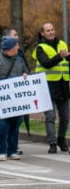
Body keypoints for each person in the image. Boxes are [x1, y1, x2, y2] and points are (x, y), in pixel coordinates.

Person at [0, 36, 29, 161]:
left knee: (15, 123)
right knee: (2, 125)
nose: (18, 48)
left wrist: (26, 75)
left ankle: (12, 150)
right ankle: (1, 150)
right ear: (10, 49)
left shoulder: (19, 60)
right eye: (16, 46)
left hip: (17, 100)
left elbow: (26, 72)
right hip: (0, 101)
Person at [32, 22, 70, 153]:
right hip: (47, 86)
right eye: (48, 30)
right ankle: (52, 143)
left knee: (65, 117)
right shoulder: (40, 48)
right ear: (42, 33)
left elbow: (67, 62)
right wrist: (60, 56)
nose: (51, 32)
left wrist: (67, 56)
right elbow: (46, 63)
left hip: (63, 85)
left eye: (52, 29)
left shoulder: (62, 44)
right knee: (50, 116)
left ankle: (61, 139)